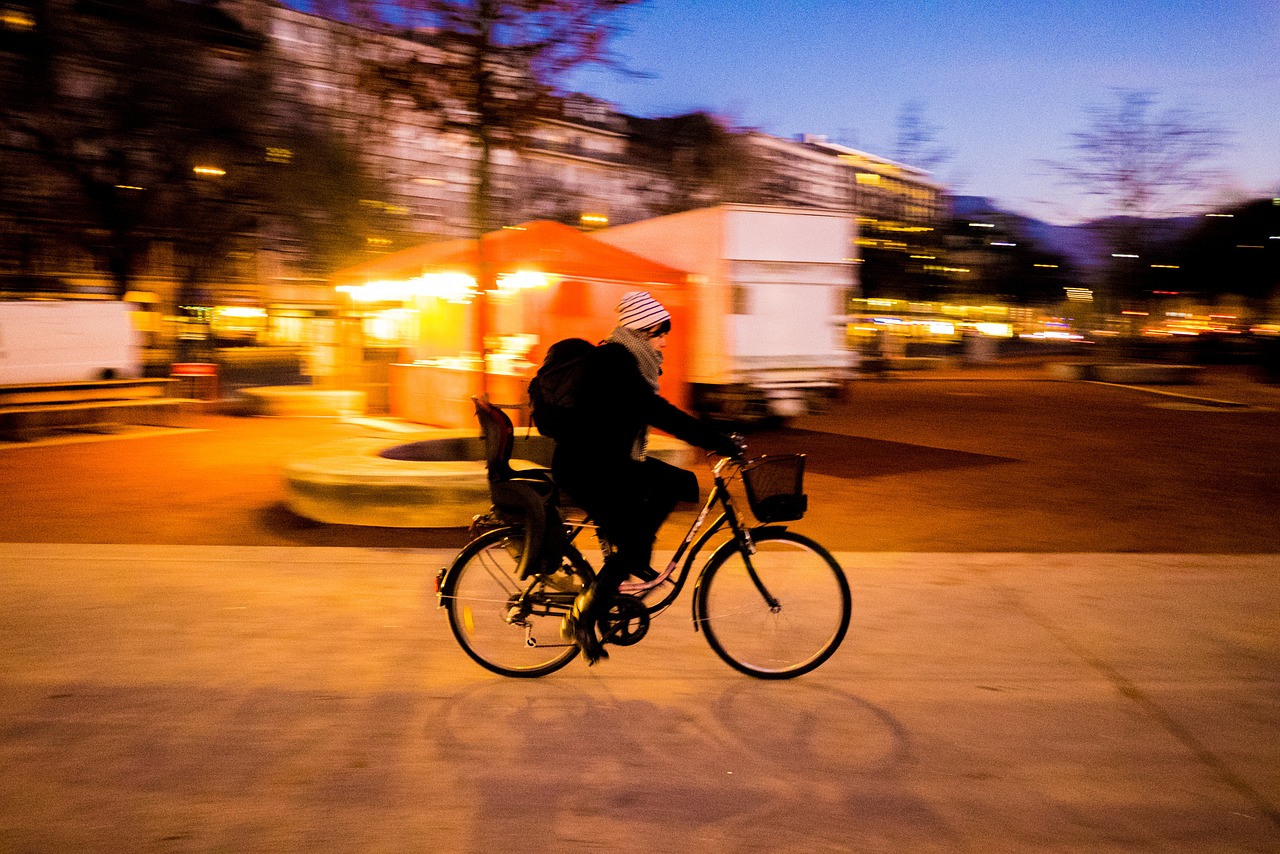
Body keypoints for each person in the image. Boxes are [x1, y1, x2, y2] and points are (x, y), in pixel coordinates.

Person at [552, 291, 741, 664]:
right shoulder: (615, 363)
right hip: (588, 469)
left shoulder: (623, 359)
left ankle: (635, 557)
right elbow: (659, 412)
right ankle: (580, 616)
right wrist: (718, 441)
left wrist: (714, 438)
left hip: (605, 461)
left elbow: (649, 412)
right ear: (641, 331)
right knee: (634, 543)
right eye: (659, 333)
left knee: (680, 483)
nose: (665, 341)